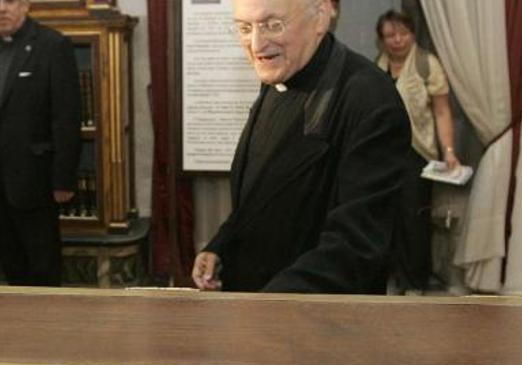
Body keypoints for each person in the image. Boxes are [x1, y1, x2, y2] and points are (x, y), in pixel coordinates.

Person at [191, 0, 410, 294]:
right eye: (245, 28)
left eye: (273, 25)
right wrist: (221, 247)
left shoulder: (370, 100)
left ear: (320, 17)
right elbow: (260, 198)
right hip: (254, 310)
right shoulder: (278, 76)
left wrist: (264, 308)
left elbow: (355, 248)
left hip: (315, 323)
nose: (256, 44)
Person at [0, 0, 81, 287]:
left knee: (42, 263)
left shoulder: (52, 45)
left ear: (26, 5)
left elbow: (67, 118)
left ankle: (47, 326)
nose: (2, 9)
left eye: (10, 1)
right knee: (10, 259)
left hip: (35, 176)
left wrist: (63, 180)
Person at [375, 9, 460, 293]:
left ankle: (414, 282)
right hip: (385, 153)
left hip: (417, 152)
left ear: (412, 34)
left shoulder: (427, 64)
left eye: (403, 33)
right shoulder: (377, 65)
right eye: (390, 35)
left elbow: (442, 111)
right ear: (382, 40)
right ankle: (391, 278)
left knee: (414, 219)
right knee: (387, 217)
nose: (397, 40)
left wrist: (448, 150)